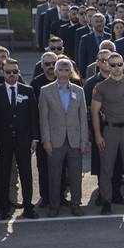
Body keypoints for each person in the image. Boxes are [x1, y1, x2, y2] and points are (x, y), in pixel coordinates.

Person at [91, 53, 124, 215]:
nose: (116, 68)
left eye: (119, 64)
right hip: (110, 130)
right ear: (106, 65)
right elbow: (94, 113)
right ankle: (106, 201)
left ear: (123, 65)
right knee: (106, 168)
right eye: (112, 64)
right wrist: (98, 135)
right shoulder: (100, 87)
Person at [0, 58, 41, 219]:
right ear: (2, 72)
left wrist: (35, 138)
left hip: (24, 139)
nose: (12, 75)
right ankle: (4, 209)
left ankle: (28, 207)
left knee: (26, 173)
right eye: (8, 72)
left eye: (15, 72)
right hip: (3, 141)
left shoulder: (27, 90)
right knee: (3, 174)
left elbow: (34, 115)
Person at [38, 59, 89, 217]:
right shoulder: (45, 91)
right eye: (61, 70)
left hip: (74, 140)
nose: (64, 73)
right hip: (55, 140)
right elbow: (44, 118)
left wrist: (84, 140)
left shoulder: (79, 90)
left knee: (75, 175)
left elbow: (83, 117)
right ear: (55, 72)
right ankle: (54, 205)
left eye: (67, 70)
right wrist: (46, 139)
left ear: (71, 72)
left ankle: (76, 204)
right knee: (54, 175)